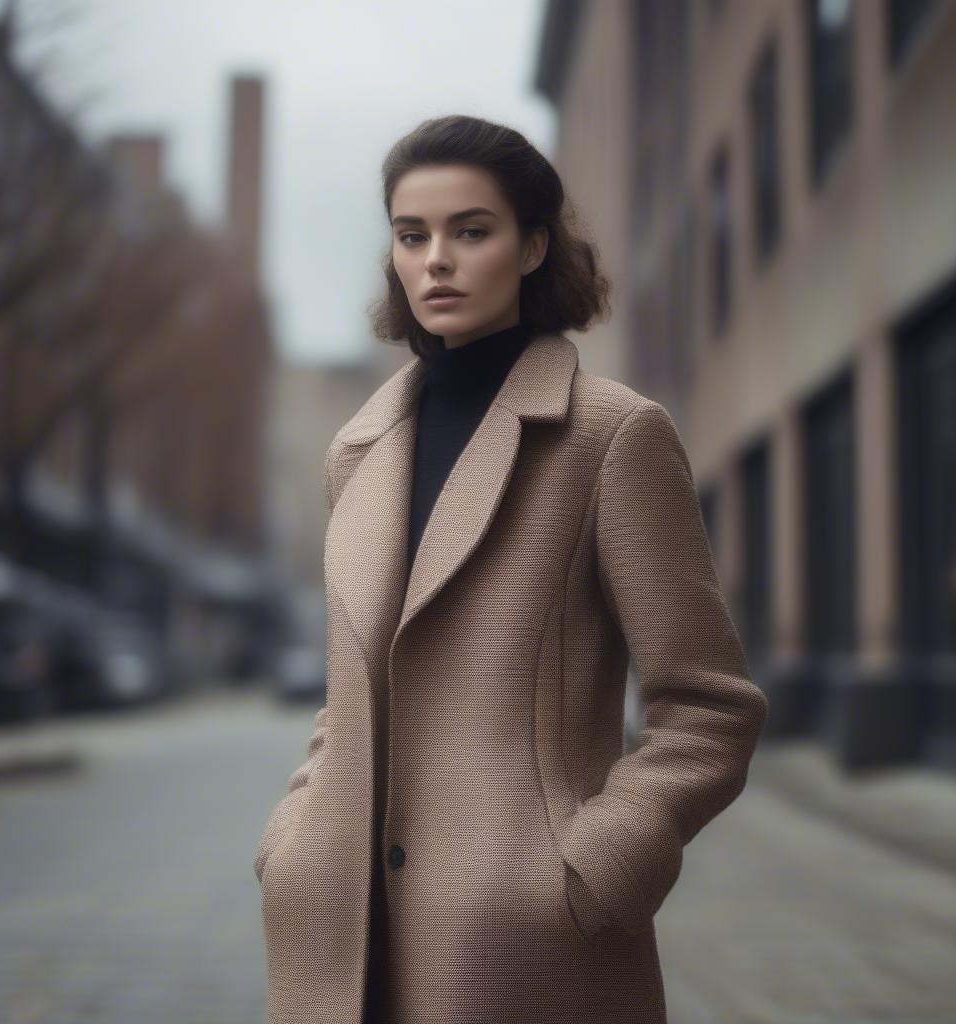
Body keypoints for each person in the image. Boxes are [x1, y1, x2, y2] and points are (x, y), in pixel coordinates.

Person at [254, 114, 770, 1024]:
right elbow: (349, 697)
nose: (436, 260)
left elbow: (710, 707)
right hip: (335, 930)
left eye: (471, 230)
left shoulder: (612, 436)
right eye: (413, 236)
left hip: (519, 942)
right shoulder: (357, 451)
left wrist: (593, 868)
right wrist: (291, 839)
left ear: (533, 246)